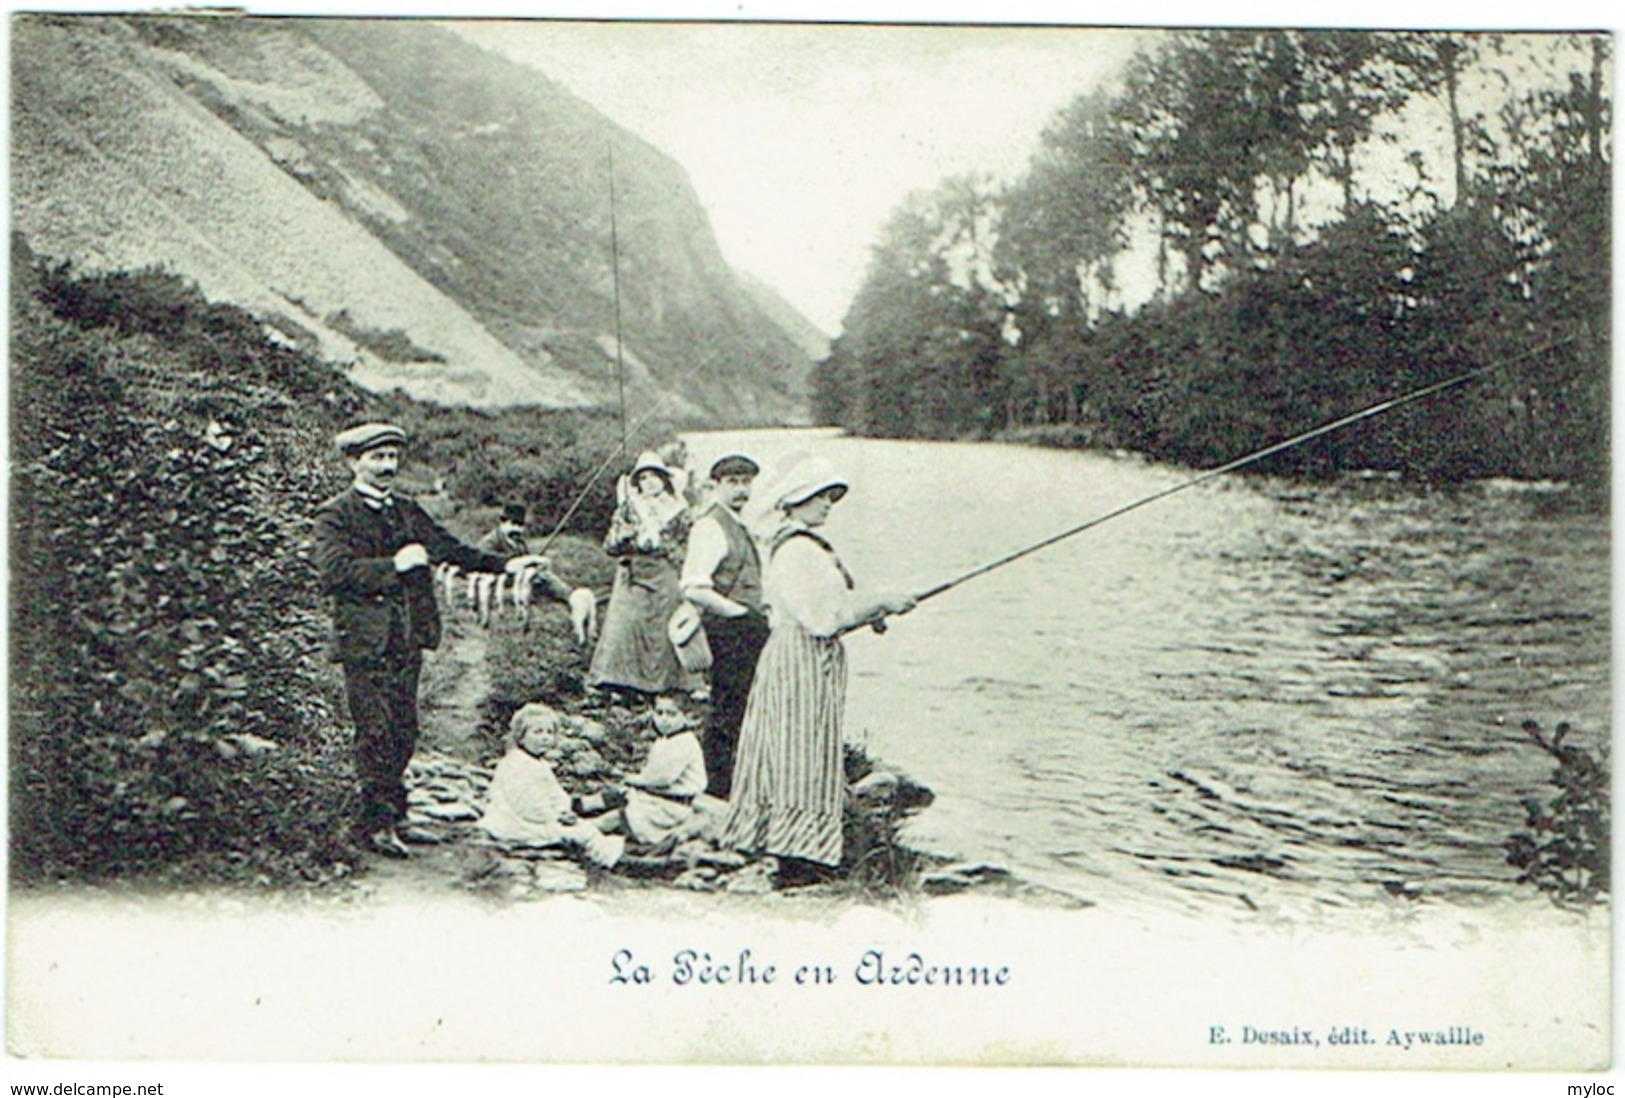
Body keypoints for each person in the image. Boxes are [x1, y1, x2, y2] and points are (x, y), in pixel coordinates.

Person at [312, 423, 543, 858]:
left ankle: (396, 815)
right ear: (353, 462)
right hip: (363, 640)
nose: (387, 466)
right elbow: (333, 574)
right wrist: (393, 565)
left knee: (404, 728)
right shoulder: (334, 514)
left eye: (392, 458)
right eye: (376, 458)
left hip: (407, 636)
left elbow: (450, 548)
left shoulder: (407, 509)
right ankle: (374, 825)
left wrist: (507, 566)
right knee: (375, 731)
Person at [720, 457, 916, 885]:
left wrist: (873, 610)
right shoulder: (796, 551)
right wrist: (881, 602)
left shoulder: (806, 546)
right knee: (797, 753)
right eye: (819, 498)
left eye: (830, 498)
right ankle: (796, 857)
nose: (827, 505)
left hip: (810, 657)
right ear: (796, 501)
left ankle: (795, 850)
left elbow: (832, 610)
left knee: (803, 751)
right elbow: (825, 620)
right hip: (799, 659)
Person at [679, 452, 768, 798]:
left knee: (740, 705)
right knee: (727, 708)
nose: (741, 490)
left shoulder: (739, 523)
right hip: (729, 630)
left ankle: (731, 783)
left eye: (746, 482)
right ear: (715, 486)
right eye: (732, 482)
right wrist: (739, 614)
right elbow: (693, 586)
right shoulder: (710, 526)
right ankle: (717, 789)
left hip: (744, 628)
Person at [586, 451, 695, 698]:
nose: (650, 482)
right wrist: (628, 536)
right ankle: (619, 682)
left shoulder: (678, 509)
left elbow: (689, 547)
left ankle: (666, 684)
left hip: (665, 573)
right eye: (644, 477)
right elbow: (610, 545)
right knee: (625, 624)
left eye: (655, 476)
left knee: (664, 627)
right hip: (633, 573)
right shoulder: (629, 507)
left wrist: (661, 543)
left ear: (665, 480)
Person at [480, 715, 626, 869]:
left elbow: (556, 796)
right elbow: (526, 807)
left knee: (588, 829)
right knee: (584, 833)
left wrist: (564, 811)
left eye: (549, 732)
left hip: (538, 818)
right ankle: (616, 862)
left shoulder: (538, 762)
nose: (545, 738)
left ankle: (615, 854)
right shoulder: (515, 764)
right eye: (538, 732)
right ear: (521, 737)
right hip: (516, 824)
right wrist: (557, 817)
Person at [573, 692, 707, 847]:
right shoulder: (665, 740)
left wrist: (636, 779)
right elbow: (652, 771)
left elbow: (663, 778)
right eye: (659, 713)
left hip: (672, 807)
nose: (664, 719)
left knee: (616, 818)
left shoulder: (684, 743)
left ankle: (581, 830)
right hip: (658, 798)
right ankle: (577, 805)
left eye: (671, 714)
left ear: (687, 717)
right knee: (617, 795)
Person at [477, 501, 572, 604]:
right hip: (495, 585)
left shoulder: (519, 542)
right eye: (513, 524)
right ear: (503, 522)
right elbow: (488, 565)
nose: (517, 529)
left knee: (544, 576)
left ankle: (571, 596)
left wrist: (535, 566)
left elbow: (525, 563)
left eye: (520, 525)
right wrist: (529, 560)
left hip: (517, 581)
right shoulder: (489, 542)